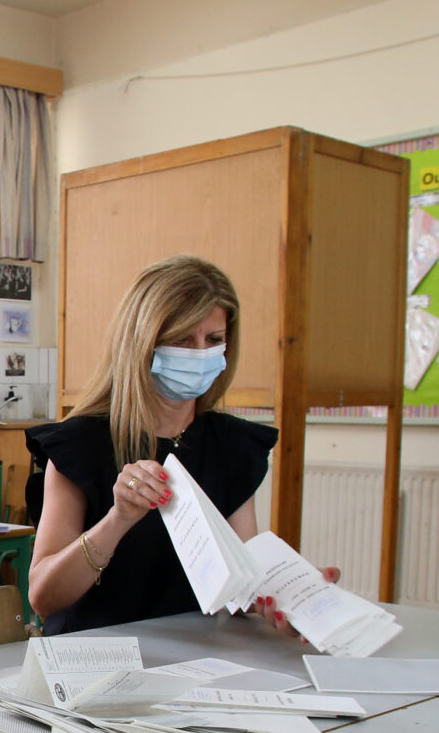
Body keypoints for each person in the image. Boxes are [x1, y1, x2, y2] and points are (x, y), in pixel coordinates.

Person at [27, 255, 325, 635]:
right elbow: (44, 597)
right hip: (96, 655)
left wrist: (288, 598)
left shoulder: (233, 446)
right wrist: (118, 520)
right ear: (143, 342)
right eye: (182, 339)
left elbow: (239, 583)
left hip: (196, 654)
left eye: (213, 340)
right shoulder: (80, 445)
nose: (199, 353)